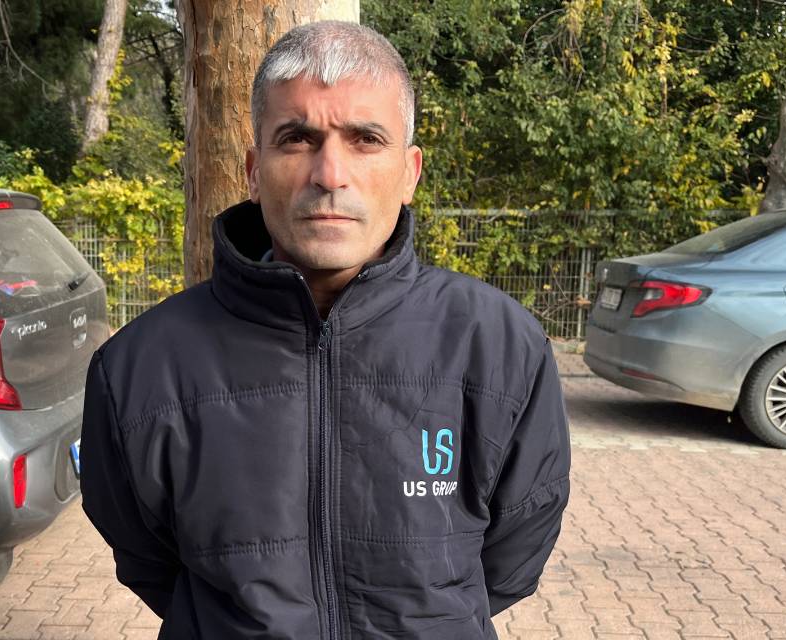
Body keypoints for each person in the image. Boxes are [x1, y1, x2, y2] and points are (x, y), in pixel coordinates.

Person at [81, 20, 570, 639]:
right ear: (253, 170)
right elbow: (148, 560)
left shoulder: (500, 346)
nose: (330, 173)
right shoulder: (140, 366)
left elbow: (512, 557)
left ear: (410, 172)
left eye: (366, 139)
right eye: (297, 139)